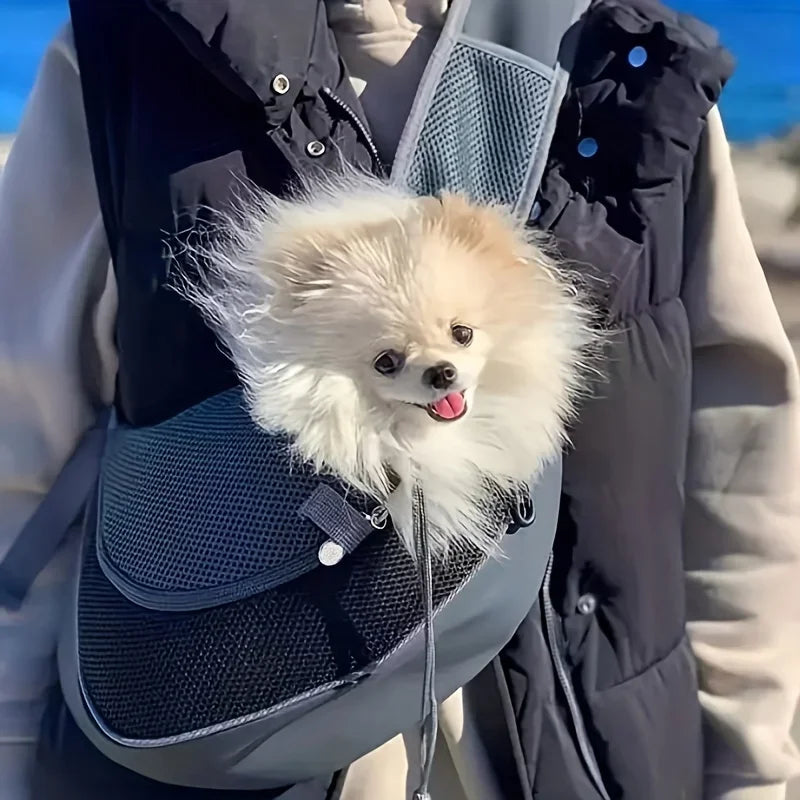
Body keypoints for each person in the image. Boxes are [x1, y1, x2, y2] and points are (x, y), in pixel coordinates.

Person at [1, 1, 799, 798]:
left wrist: (752, 771)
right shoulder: (135, 38)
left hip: (589, 745)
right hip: (220, 732)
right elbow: (22, 457)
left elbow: (737, 463)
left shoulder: (621, 63)